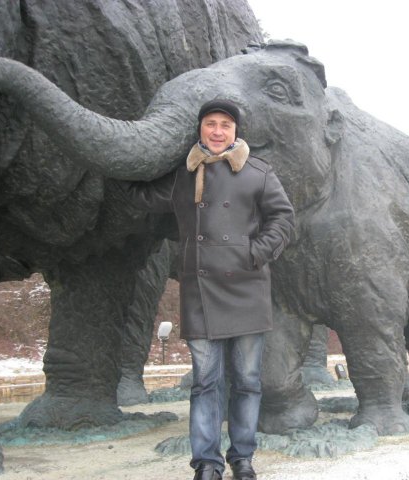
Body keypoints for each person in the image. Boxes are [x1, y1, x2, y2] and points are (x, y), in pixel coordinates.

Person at [125, 99, 295, 480]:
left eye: (225, 125)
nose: (218, 131)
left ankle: (242, 458)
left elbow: (283, 218)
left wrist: (254, 253)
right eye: (211, 124)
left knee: (247, 381)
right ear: (200, 128)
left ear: (236, 132)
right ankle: (206, 462)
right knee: (205, 382)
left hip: (247, 289)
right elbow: (138, 194)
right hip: (199, 295)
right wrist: (119, 157)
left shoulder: (258, 173)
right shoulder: (182, 176)